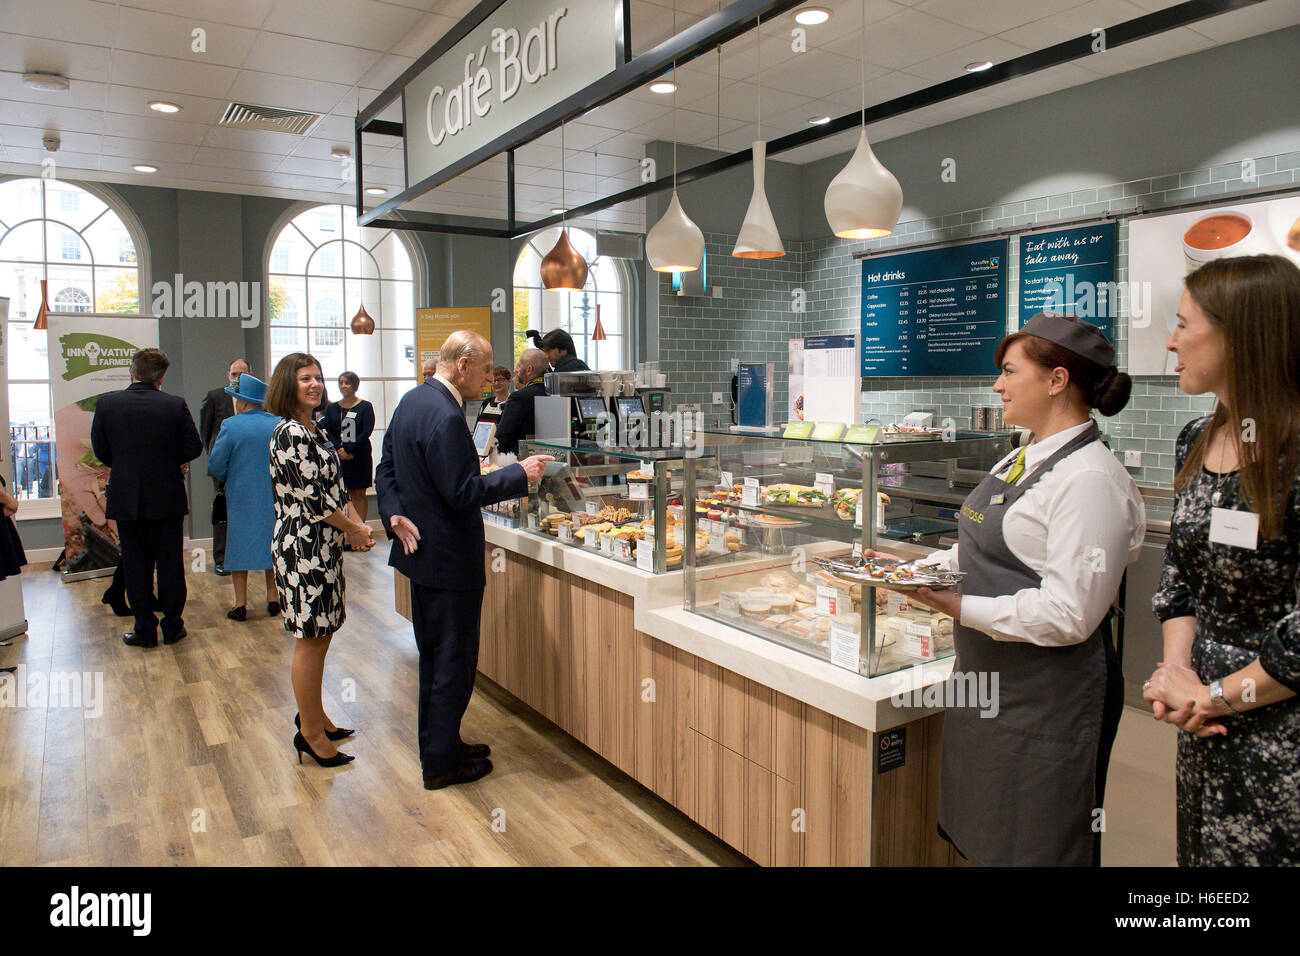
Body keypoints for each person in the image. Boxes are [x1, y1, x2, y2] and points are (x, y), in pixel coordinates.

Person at [881, 312, 1145, 866]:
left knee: (1039, 841)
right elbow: (980, 545)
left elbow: (1070, 613)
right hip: (990, 681)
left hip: (1048, 698)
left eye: (1008, 372)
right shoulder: (1020, 455)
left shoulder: (1089, 480)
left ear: (1056, 381)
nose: (997, 386)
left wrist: (959, 605)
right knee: (988, 833)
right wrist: (921, 569)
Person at [1145, 254, 1300, 867]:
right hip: (1202, 721)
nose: (1170, 341)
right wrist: (1177, 676)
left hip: (1277, 725)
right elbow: (1180, 576)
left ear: (1243, 334)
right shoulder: (1195, 438)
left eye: (1185, 325)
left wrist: (1216, 695)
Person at [375, 330, 552, 790]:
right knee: (453, 662)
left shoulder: (414, 401)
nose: (493, 376)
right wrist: (520, 474)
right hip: (450, 561)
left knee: (434, 659)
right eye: (487, 366)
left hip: (420, 557)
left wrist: (392, 510)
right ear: (463, 364)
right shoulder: (448, 416)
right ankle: (440, 765)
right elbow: (462, 493)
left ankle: (442, 745)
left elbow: (386, 465)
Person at [266, 353, 374, 767]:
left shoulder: (315, 427)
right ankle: (309, 732)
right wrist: (355, 529)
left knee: (323, 632)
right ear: (286, 385)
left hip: (324, 546)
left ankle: (316, 715)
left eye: (318, 377)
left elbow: (335, 485)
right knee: (310, 639)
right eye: (304, 378)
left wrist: (356, 524)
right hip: (301, 547)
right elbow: (315, 501)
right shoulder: (290, 433)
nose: (314, 384)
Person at [90, 348, 203, 648]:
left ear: (132, 372)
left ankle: (144, 630)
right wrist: (169, 460)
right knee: (170, 565)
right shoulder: (175, 405)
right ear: (162, 377)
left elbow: (101, 450)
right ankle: (173, 626)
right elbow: (193, 447)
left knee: (135, 565)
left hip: (126, 497)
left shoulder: (107, 404)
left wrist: (127, 465)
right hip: (167, 498)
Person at [207, 373, 279, 622]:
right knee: (271, 544)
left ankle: (240, 603)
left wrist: (229, 476)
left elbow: (216, 464)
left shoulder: (231, 425)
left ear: (242, 401)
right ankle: (273, 598)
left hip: (240, 496)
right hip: (274, 496)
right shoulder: (279, 423)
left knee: (239, 547)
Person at [199, 358, 249, 576]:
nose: (237, 378)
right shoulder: (215, 396)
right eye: (234, 374)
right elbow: (205, 431)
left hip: (249, 465)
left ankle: (247, 556)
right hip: (223, 467)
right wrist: (215, 458)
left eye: (242, 374)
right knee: (223, 513)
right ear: (228, 375)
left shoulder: (256, 399)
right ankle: (222, 559)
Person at [320, 372, 375, 525]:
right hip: (339, 457)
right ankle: (347, 532)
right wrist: (340, 450)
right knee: (344, 494)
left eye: (347, 383)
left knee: (359, 494)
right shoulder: (332, 408)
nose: (343, 386)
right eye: (341, 382)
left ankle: (360, 530)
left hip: (359, 456)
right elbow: (327, 431)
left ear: (355, 385)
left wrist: (350, 450)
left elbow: (367, 430)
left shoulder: (365, 406)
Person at [494, 349, 549, 456]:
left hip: (520, 460)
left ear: (529, 370)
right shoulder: (556, 394)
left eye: (518, 365)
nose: (515, 370)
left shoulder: (519, 397)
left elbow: (502, 437)